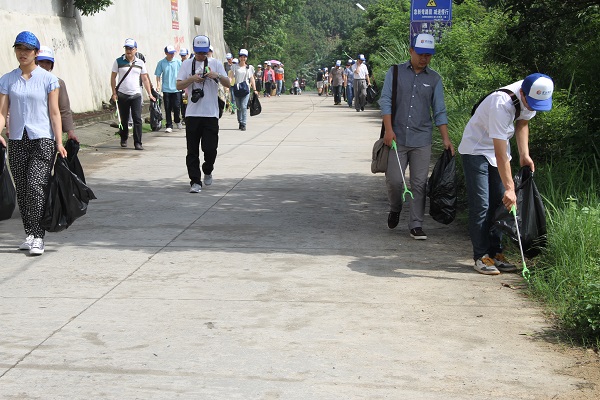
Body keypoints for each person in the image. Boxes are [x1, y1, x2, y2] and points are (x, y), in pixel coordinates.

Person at [459, 73, 554, 275]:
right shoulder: (501, 104)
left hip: (498, 150)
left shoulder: (534, 93)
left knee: (500, 204)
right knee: (482, 204)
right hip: (476, 149)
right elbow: (500, 154)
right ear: (522, 93)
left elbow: (523, 123)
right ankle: (481, 256)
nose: (533, 108)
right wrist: (510, 188)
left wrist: (524, 155)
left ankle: (496, 253)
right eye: (531, 103)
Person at [379, 33, 454, 240]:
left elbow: (439, 111)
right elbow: (385, 100)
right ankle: (395, 207)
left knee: (420, 183)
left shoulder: (434, 79)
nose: (424, 59)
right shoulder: (395, 72)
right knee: (395, 180)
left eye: (428, 55)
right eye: (421, 54)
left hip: (422, 139)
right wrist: (388, 130)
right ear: (411, 51)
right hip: (396, 138)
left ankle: (416, 224)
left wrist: (446, 139)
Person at [0, 31, 67, 255]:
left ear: (36, 53)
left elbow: (55, 113)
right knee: (22, 189)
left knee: (35, 185)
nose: (23, 53)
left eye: (27, 49)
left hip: (43, 140)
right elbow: (2, 112)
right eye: (19, 49)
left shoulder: (49, 80)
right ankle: (29, 233)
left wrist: (59, 142)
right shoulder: (7, 79)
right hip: (17, 139)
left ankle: (39, 236)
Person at [176, 35, 230, 193]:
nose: (201, 55)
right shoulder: (186, 64)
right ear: (194, 50)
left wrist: (217, 76)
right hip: (192, 114)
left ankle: (208, 169)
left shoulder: (216, 63)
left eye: (204, 52)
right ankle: (195, 181)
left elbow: (228, 83)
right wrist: (192, 79)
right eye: (199, 52)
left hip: (210, 114)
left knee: (210, 149)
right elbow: (178, 85)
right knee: (192, 150)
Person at [110, 38, 155, 150]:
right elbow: (113, 77)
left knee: (137, 119)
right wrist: (114, 93)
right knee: (124, 119)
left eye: (131, 48)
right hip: (122, 94)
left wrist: (149, 94)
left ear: (135, 50)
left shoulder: (140, 63)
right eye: (126, 48)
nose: (128, 51)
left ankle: (138, 142)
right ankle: (124, 138)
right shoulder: (118, 61)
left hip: (136, 94)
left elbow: (145, 79)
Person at [36, 46, 79, 143]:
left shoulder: (58, 83)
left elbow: (64, 109)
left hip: (48, 132)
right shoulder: (23, 81)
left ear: (52, 65)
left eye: (48, 62)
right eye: (41, 61)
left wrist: (70, 131)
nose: (44, 65)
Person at [155, 45, 183, 133]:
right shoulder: (161, 63)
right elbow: (158, 75)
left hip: (177, 88)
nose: (172, 55)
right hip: (166, 89)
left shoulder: (178, 62)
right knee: (167, 107)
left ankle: (177, 120)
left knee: (177, 107)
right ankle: (169, 125)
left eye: (173, 53)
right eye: (170, 53)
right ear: (166, 53)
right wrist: (158, 85)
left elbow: (183, 73)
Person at [231, 48, 259, 131]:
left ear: (246, 58)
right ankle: (240, 121)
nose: (243, 58)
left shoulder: (249, 67)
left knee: (243, 106)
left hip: (245, 89)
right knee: (238, 107)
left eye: (244, 57)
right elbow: (231, 76)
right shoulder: (234, 66)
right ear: (239, 57)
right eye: (241, 56)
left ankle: (243, 123)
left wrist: (255, 89)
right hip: (237, 89)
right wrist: (227, 85)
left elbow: (252, 78)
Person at [179, 48, 189, 119]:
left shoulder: (190, 63)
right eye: (182, 55)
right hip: (182, 85)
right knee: (183, 102)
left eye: (184, 55)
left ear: (187, 55)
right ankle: (184, 116)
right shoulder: (179, 63)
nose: (183, 57)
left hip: (188, 85)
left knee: (188, 101)